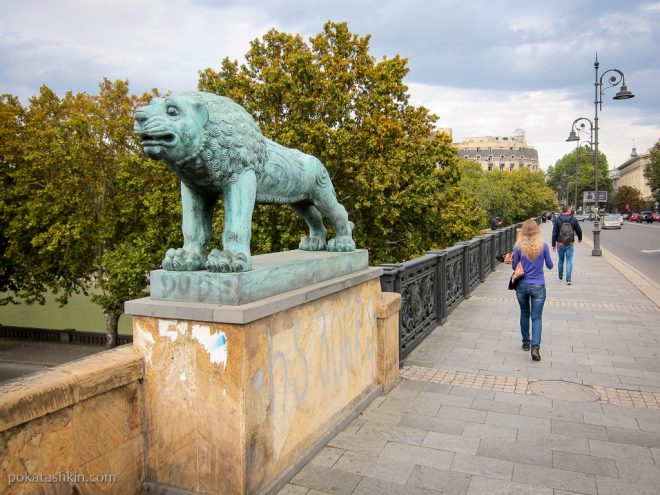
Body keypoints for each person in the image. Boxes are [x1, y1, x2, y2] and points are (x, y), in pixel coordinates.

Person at [512, 219, 553, 361]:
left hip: (522, 286)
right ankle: (535, 348)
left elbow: (514, 267)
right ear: (537, 231)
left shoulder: (518, 247)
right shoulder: (543, 246)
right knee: (536, 318)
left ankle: (525, 343)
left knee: (524, 313)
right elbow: (550, 265)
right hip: (538, 286)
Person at [551, 205, 582, 285]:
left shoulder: (558, 220)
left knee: (561, 260)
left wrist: (553, 244)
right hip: (570, 243)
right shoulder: (573, 219)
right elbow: (579, 230)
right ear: (568, 210)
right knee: (569, 261)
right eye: (570, 209)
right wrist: (579, 238)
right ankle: (568, 279)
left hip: (560, 243)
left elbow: (554, 232)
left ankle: (560, 276)